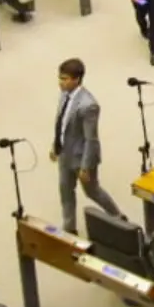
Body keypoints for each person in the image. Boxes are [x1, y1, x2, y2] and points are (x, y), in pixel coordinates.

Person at [51, 59, 124, 230]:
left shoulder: (88, 105)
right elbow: (61, 123)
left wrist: (85, 167)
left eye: (64, 78)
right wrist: (55, 145)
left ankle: (117, 216)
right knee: (65, 192)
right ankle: (70, 228)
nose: (60, 82)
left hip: (81, 158)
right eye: (60, 78)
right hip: (64, 154)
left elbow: (91, 139)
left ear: (76, 80)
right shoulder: (64, 95)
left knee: (92, 191)